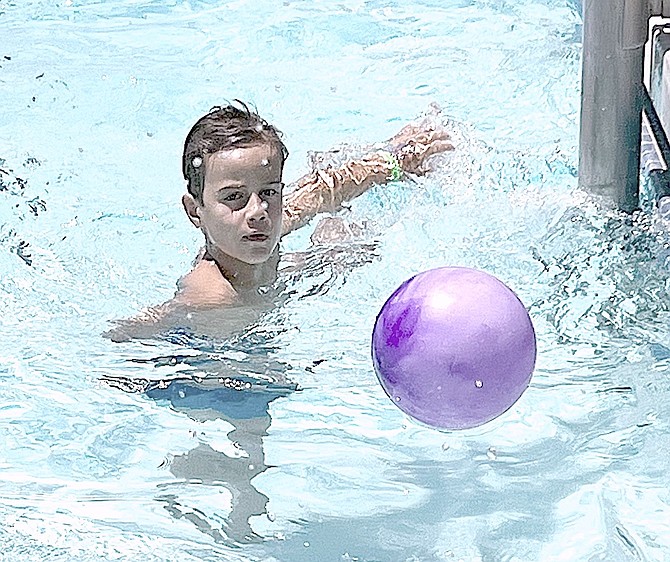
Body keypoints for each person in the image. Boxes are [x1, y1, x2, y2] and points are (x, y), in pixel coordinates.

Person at [106, 102, 453, 341]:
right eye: (233, 197)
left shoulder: (255, 227)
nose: (257, 210)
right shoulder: (210, 298)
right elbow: (148, 325)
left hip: (275, 281)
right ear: (196, 212)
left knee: (348, 241)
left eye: (269, 192)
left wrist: (397, 161)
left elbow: (322, 189)